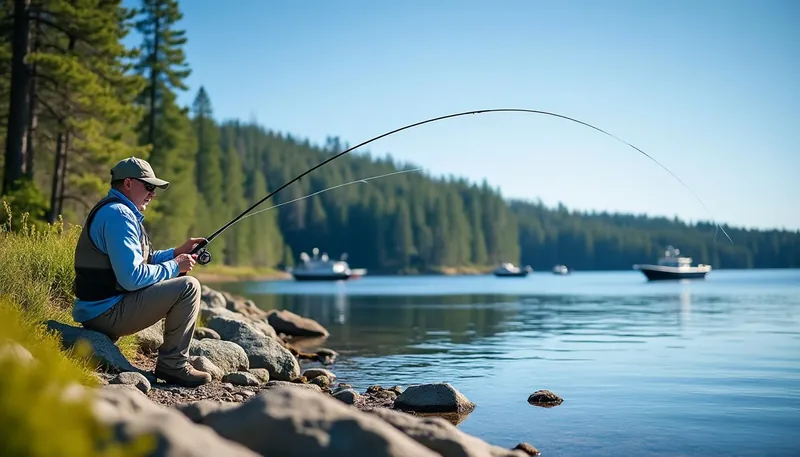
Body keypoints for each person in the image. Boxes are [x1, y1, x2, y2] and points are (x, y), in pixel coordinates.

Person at [72, 156, 212, 387]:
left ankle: (172, 363)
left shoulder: (117, 211)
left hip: (100, 309)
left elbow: (143, 261)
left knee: (184, 282)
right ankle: (173, 365)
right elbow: (132, 277)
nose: (153, 193)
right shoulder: (119, 215)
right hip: (105, 314)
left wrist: (177, 252)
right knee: (188, 287)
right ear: (128, 184)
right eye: (148, 186)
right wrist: (176, 266)